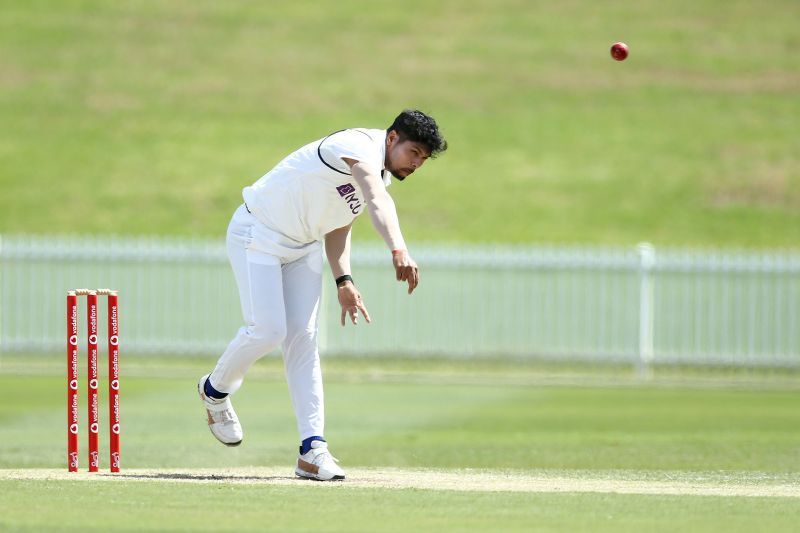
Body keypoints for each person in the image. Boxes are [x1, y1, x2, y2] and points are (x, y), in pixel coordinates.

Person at [197, 109, 447, 480]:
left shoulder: (380, 174)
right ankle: (213, 391)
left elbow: (339, 224)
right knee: (268, 330)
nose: (417, 164)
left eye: (424, 160)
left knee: (304, 339)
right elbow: (377, 201)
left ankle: (312, 450)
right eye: (414, 153)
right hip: (258, 232)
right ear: (392, 138)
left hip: (303, 247)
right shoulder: (356, 146)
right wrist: (398, 249)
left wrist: (343, 279)